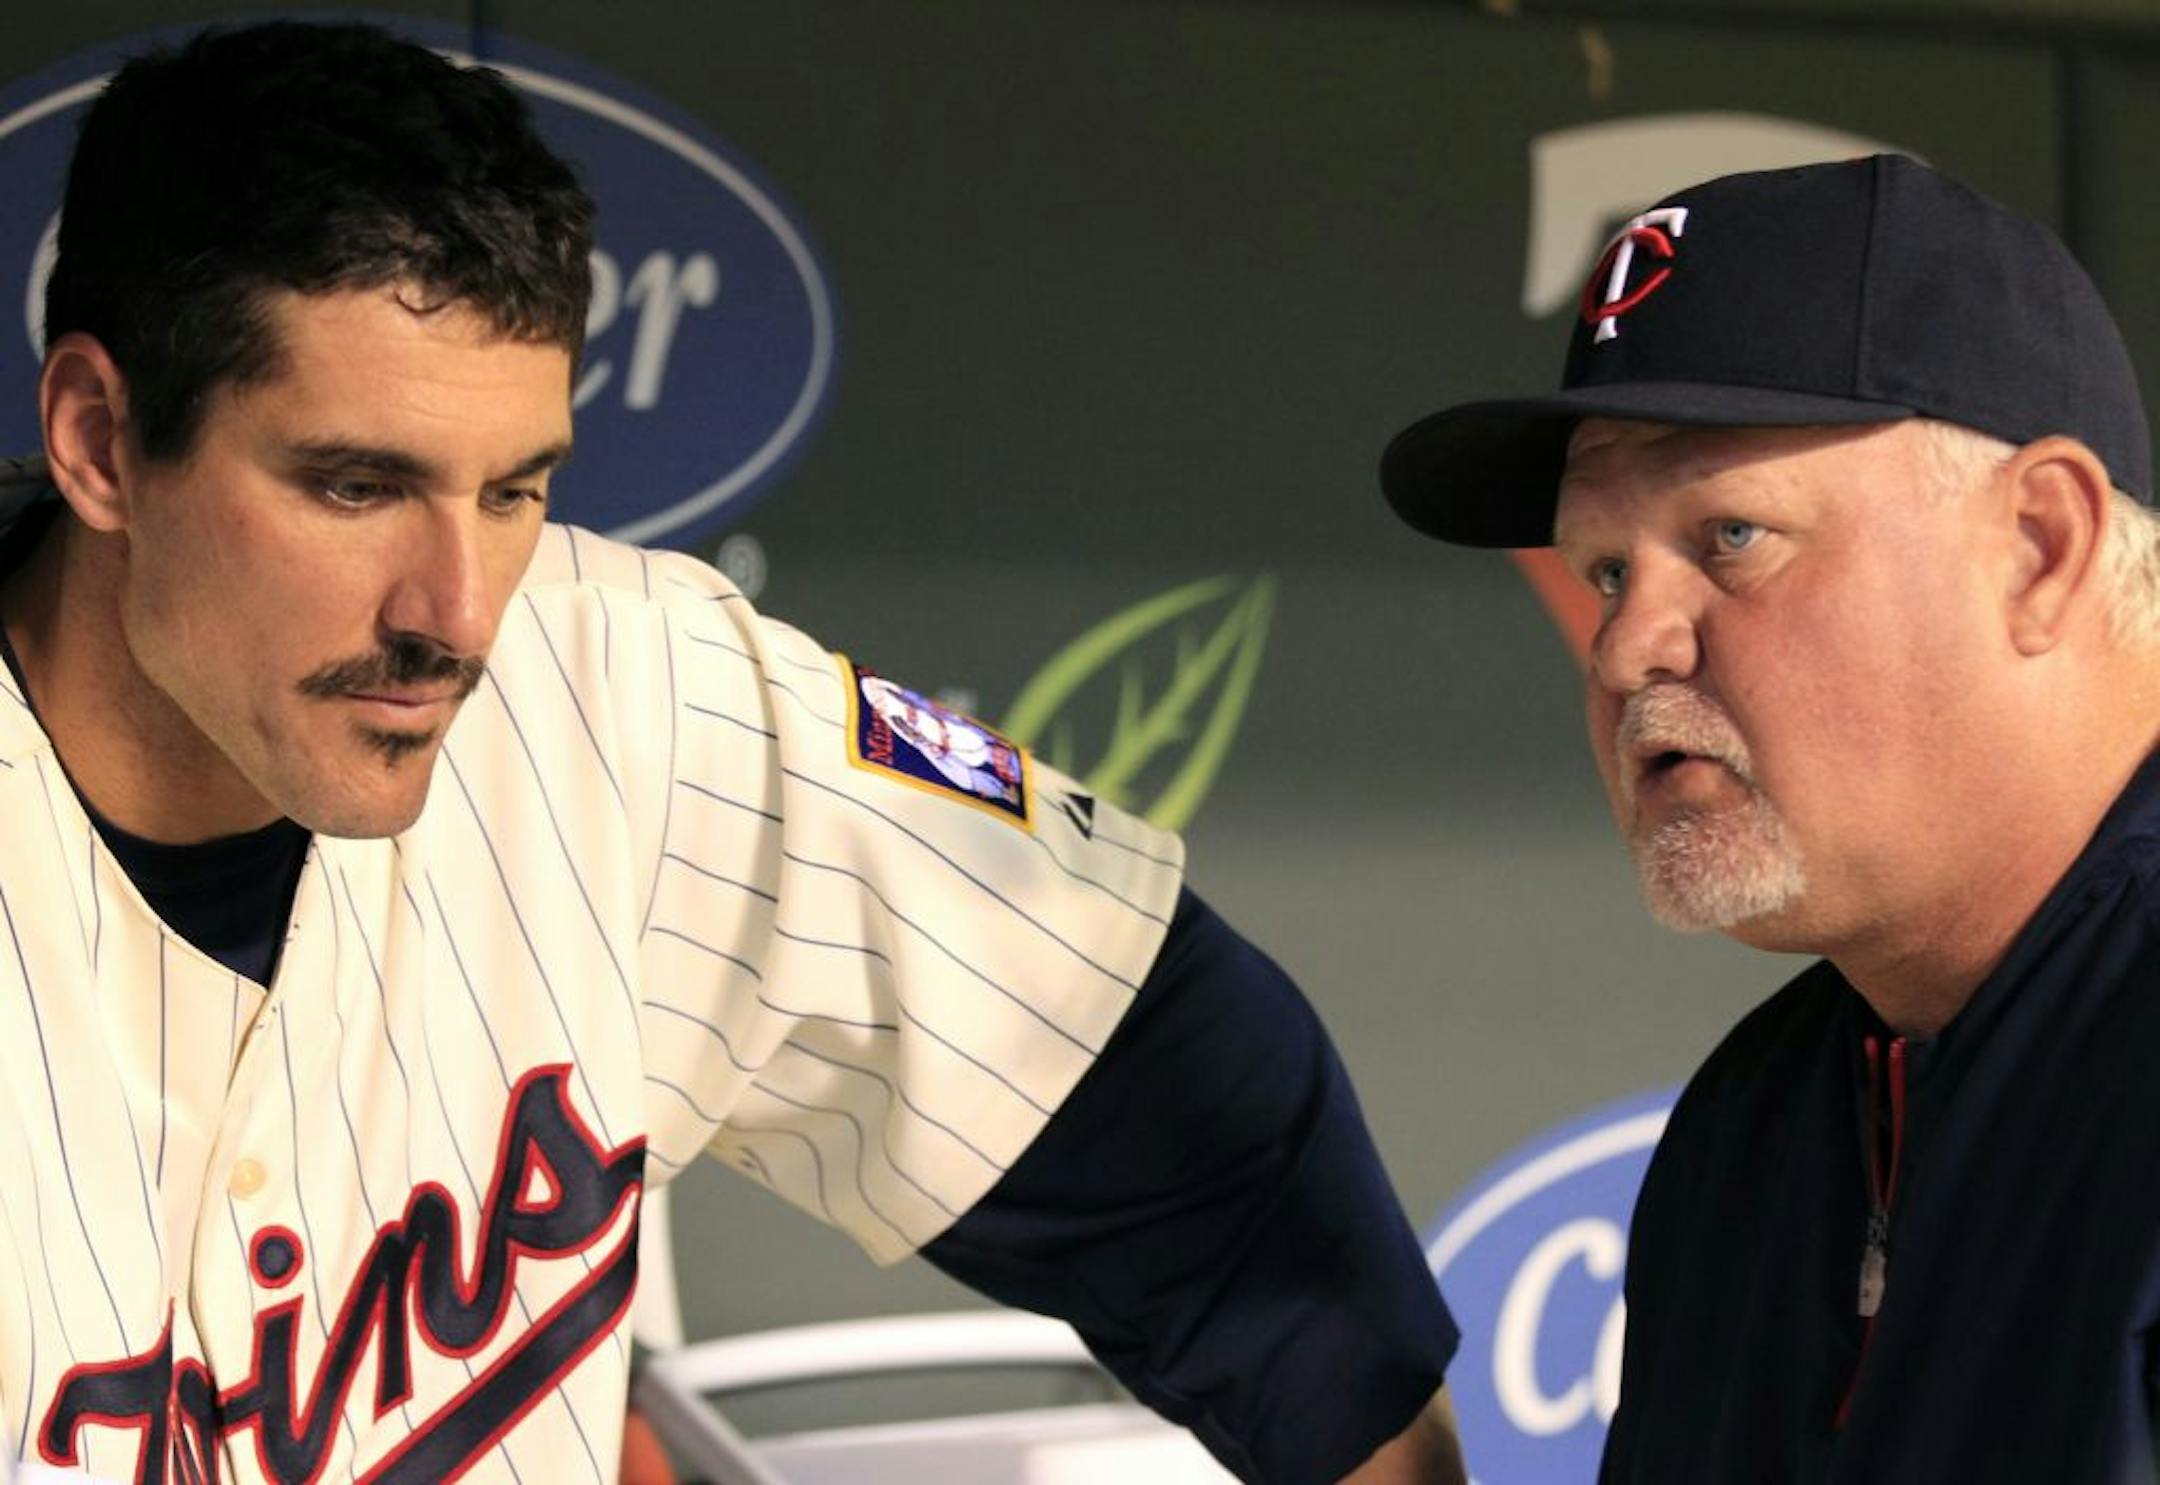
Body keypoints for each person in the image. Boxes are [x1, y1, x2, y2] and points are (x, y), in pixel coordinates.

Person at [0, 21, 1463, 1484]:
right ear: (100, 440)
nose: (454, 612)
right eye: (357, 485)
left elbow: (1163, 1070)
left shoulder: (630, 682)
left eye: (514, 490)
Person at [1380, 152, 2160, 1480]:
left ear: (2039, 545)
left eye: (1732, 536)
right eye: (1607, 568)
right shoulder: (1754, 1124)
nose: (1627, 648)